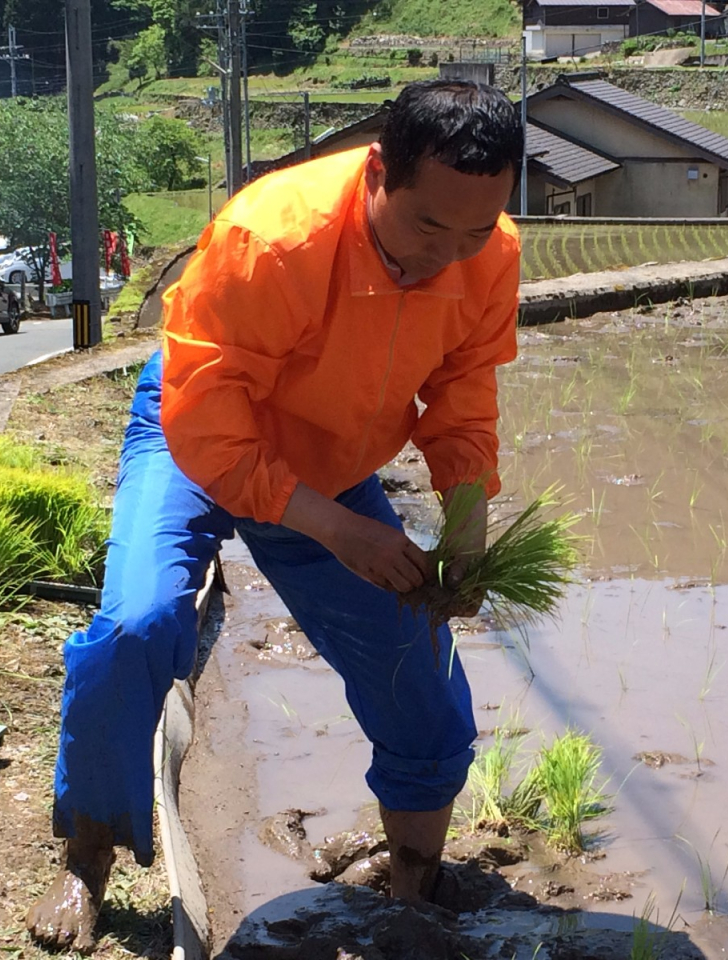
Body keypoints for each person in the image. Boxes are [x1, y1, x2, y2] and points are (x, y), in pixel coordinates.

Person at [26, 79, 524, 954]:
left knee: (417, 666)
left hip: (332, 457)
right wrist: (336, 528)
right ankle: (88, 856)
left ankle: (416, 883)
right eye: (426, 229)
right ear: (377, 172)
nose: (448, 256)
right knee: (138, 624)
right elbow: (210, 426)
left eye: (477, 231)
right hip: (198, 429)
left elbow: (462, 394)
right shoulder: (272, 238)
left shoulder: (487, 254)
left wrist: (467, 524)